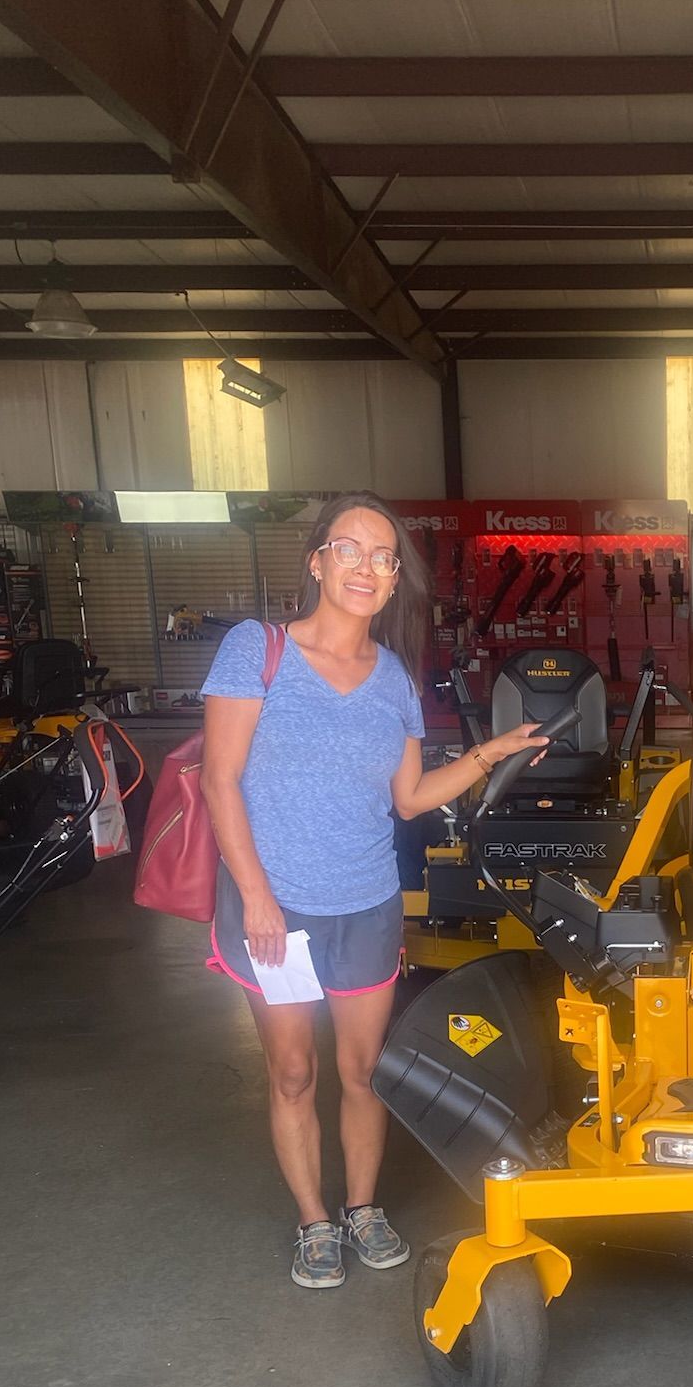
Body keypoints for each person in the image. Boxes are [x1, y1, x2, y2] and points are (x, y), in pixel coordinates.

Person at [201, 492, 547, 1290]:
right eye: (349, 550)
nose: (366, 567)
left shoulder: (391, 677)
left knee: (364, 1074)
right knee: (293, 1073)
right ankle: (314, 1223)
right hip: (275, 911)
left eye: (383, 557)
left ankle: (361, 1208)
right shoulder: (258, 651)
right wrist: (255, 895)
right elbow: (221, 782)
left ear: (394, 582)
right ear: (317, 561)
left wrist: (489, 753)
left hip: (366, 904)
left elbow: (409, 799)